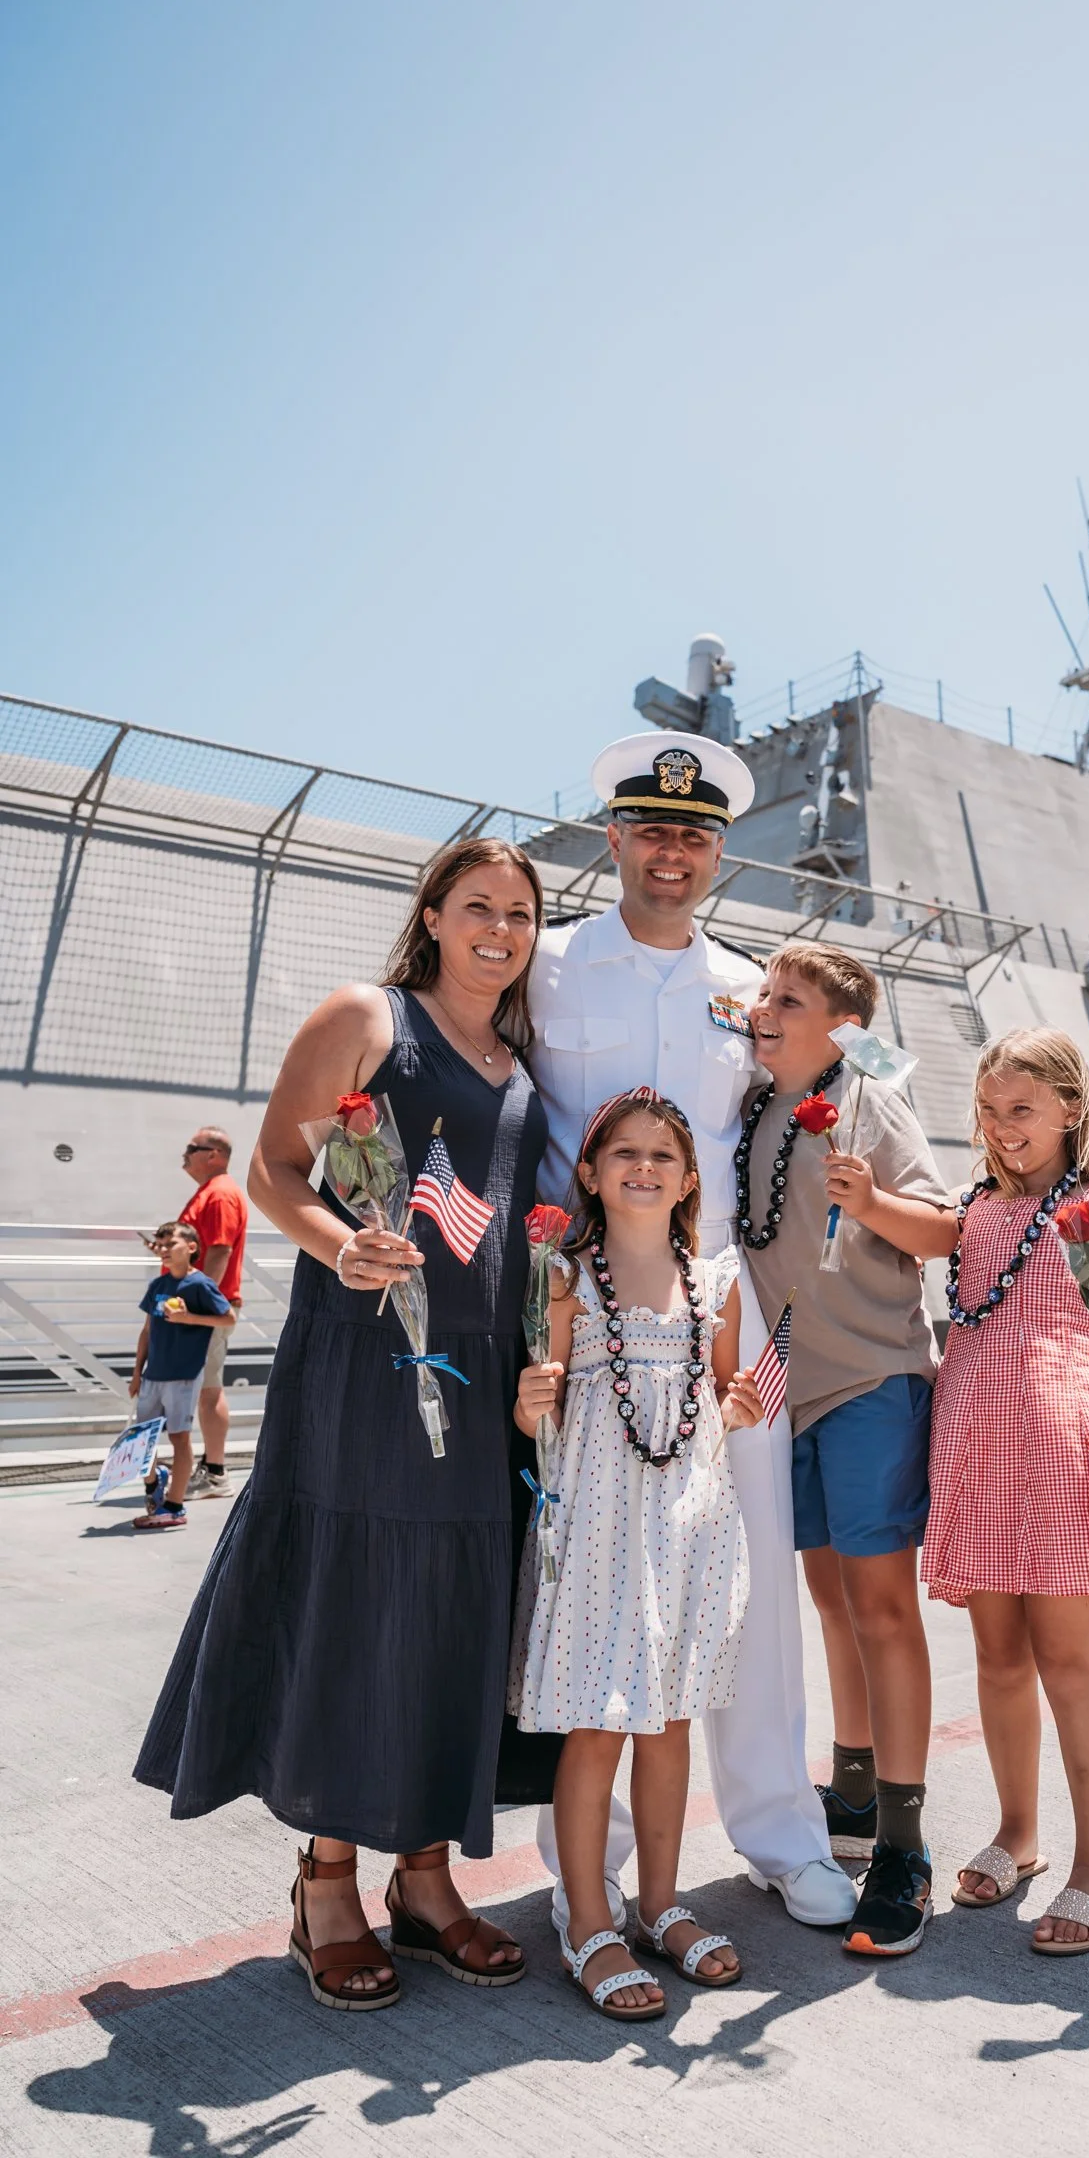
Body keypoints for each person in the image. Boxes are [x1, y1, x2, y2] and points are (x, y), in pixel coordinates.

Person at [135, 836, 549, 2012]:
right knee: (355, 1594)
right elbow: (275, 1168)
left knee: (454, 1604)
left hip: (476, 1372)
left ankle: (424, 1874)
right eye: (479, 906)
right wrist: (339, 1245)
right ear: (430, 913)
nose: (501, 931)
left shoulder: (512, 1056)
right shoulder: (369, 1015)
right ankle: (328, 1882)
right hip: (363, 1360)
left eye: (520, 914)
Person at [528, 731, 856, 1928]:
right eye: (652, 829)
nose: (673, 852)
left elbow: (831, 1095)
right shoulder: (549, 965)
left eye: (696, 834)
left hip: (723, 1308)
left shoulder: (749, 988)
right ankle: (602, 1863)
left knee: (754, 1567)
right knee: (608, 1575)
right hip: (595, 1308)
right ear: (613, 836)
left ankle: (778, 1830)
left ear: (720, 850)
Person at [848, 1026, 1089, 1954]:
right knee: (995, 1659)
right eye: (989, 1112)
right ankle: (1017, 1832)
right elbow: (931, 1233)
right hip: (978, 1446)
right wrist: (868, 1201)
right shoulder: (978, 1202)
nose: (1002, 1127)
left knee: (1069, 1662)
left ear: (1071, 1108)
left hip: (1067, 1446)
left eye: (1021, 1110)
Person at [508, 1089, 764, 2020]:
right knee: (599, 1723)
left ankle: (659, 1902)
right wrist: (530, 1401)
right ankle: (586, 1916)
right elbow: (533, 1413)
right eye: (623, 1154)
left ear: (690, 1177)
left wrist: (743, 1405)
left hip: (688, 1522)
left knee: (668, 1724)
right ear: (589, 1171)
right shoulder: (567, 1277)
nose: (644, 1168)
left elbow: (731, 1385)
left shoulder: (715, 1279)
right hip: (601, 1528)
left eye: (663, 1155)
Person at [741, 943, 947, 1958]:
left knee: (879, 1605)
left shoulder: (867, 1097)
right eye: (763, 994)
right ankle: (854, 1793)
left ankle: (905, 1846)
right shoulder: (749, 1107)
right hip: (790, 1394)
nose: (764, 1008)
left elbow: (941, 1227)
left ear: (843, 1028)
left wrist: (868, 1202)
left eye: (791, 1000)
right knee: (828, 1601)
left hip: (869, 1381)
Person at [131, 1221, 234, 1531]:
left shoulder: (200, 1285)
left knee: (179, 1438)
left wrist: (189, 1317)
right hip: (153, 1376)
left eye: (169, 1244)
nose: (163, 1250)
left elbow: (227, 1317)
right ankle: (154, 1483)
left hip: (183, 1377)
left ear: (190, 1248)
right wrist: (137, 1372)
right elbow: (147, 1330)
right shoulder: (158, 1287)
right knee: (143, 1440)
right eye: (159, 1245)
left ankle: (174, 1507)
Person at [177, 1126, 249, 1500]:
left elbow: (219, 1252)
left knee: (208, 1390)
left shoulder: (219, 1194)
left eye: (192, 1148)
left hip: (206, 1311)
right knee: (205, 1389)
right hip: (201, 1309)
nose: (185, 1154)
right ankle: (210, 1467)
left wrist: (197, 1303)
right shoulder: (210, 1192)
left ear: (214, 1155)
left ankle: (216, 1472)